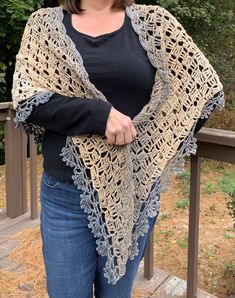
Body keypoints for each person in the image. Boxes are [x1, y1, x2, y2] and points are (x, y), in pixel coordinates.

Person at [12, 0, 224, 297]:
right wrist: (100, 115)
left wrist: (155, 148)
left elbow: (202, 88)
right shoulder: (43, 25)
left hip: (132, 196)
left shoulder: (154, 22)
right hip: (64, 197)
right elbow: (29, 102)